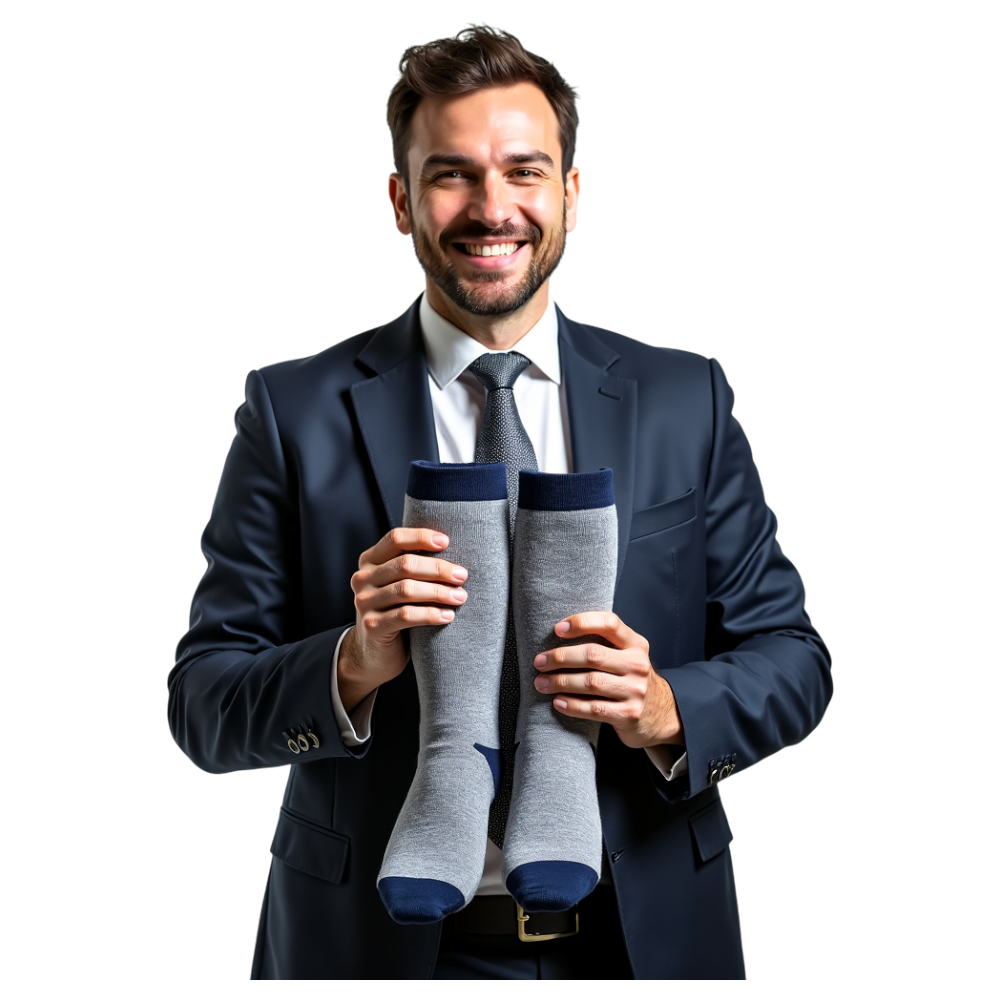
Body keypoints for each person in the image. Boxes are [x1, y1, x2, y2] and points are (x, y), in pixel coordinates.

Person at [170, 23, 831, 979]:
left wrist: (665, 709)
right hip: (372, 947)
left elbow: (795, 660)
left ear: (570, 194)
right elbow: (201, 702)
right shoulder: (291, 409)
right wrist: (351, 665)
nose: (492, 209)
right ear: (401, 202)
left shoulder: (687, 397)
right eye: (452, 175)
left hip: (640, 946)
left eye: (525, 172)